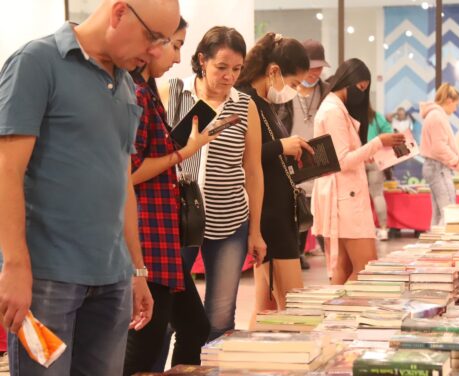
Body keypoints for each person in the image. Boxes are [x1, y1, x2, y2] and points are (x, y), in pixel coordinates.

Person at [0, 0, 181, 374]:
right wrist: (15, 265)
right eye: (153, 37)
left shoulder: (127, 85)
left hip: (112, 278)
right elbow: (6, 170)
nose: (156, 51)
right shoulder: (37, 62)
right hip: (49, 277)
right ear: (118, 13)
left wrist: (137, 270)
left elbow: (121, 181)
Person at [164, 26, 266, 343]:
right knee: (164, 316)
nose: (229, 77)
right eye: (221, 67)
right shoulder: (173, 93)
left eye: (236, 69)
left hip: (230, 220)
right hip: (178, 219)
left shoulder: (244, 105)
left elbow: (253, 170)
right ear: (202, 60)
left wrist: (255, 230)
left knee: (220, 317)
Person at [123, 18, 213, 375]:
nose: (178, 57)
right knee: (146, 342)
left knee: (193, 326)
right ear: (150, 45)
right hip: (146, 236)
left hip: (162, 235)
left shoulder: (148, 91)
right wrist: (184, 151)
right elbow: (129, 172)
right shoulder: (135, 95)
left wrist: (188, 143)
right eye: (175, 46)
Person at [236, 32, 314, 318]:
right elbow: (244, 158)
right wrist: (282, 145)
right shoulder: (246, 101)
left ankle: (260, 361)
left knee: (267, 308)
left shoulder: (262, 101)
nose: (293, 90)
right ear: (273, 71)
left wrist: (288, 149)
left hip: (277, 211)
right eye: (293, 83)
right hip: (270, 214)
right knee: (294, 308)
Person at [312, 58, 405, 284]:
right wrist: (377, 142)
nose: (361, 94)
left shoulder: (335, 107)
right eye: (360, 88)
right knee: (365, 269)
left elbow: (342, 156)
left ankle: (336, 317)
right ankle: (342, 315)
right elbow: (342, 161)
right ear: (348, 81)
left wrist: (367, 153)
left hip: (345, 196)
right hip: (346, 198)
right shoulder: (334, 110)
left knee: (344, 268)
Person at [273, 39, 330, 270]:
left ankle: (316, 248)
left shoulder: (327, 91)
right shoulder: (285, 92)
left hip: (318, 153)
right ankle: (297, 251)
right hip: (292, 153)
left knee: (316, 203)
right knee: (295, 203)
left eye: (319, 68)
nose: (315, 72)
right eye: (311, 67)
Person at [419, 83, 459, 226]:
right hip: (438, 167)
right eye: (456, 104)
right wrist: (455, 159)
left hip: (434, 166)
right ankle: (444, 246)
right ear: (449, 101)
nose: (455, 109)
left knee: (439, 212)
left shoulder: (433, 115)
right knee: (449, 210)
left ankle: (435, 244)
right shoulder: (437, 117)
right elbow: (439, 147)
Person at [366, 104, 394, 241]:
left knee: (358, 197)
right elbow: (390, 133)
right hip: (375, 159)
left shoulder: (349, 116)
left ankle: (365, 231)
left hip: (356, 159)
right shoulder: (375, 117)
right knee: (377, 194)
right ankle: (383, 229)